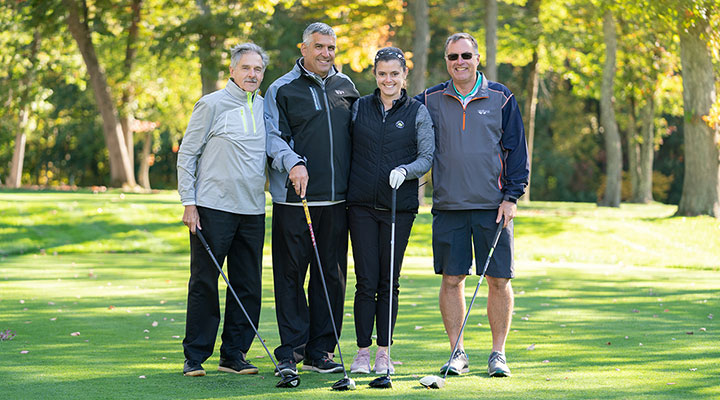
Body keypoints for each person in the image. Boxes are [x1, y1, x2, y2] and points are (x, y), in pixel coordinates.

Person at [414, 32, 529, 377]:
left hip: (493, 206)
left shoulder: (501, 97)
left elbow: (517, 151)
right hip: (449, 205)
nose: (460, 62)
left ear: (478, 59)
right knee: (452, 279)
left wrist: (512, 196)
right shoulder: (430, 99)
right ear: (446, 61)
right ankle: (457, 352)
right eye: (453, 57)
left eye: (466, 56)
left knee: (498, 280)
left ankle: (498, 354)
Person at [264, 22, 359, 376]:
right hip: (294, 201)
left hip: (336, 203)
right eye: (319, 47)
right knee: (290, 277)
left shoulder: (346, 86)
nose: (326, 54)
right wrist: (294, 162)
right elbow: (272, 136)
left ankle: (320, 351)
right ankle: (291, 350)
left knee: (330, 279)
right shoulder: (281, 88)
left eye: (331, 47)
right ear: (303, 49)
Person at [176, 43, 269, 377]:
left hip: (253, 209)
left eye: (258, 69)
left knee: (247, 284)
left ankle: (234, 354)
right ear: (232, 70)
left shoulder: (265, 108)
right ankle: (194, 356)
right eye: (246, 68)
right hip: (212, 207)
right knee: (204, 281)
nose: (252, 74)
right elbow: (187, 155)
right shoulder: (211, 104)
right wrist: (189, 202)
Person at [346, 47, 434, 375]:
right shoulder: (359, 109)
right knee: (365, 280)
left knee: (388, 280)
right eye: (382, 73)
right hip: (361, 207)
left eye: (394, 74)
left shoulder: (417, 112)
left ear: (404, 76)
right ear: (375, 75)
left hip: (399, 208)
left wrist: (406, 171)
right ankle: (362, 352)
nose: (388, 80)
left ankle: (384, 351)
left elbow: (427, 156)